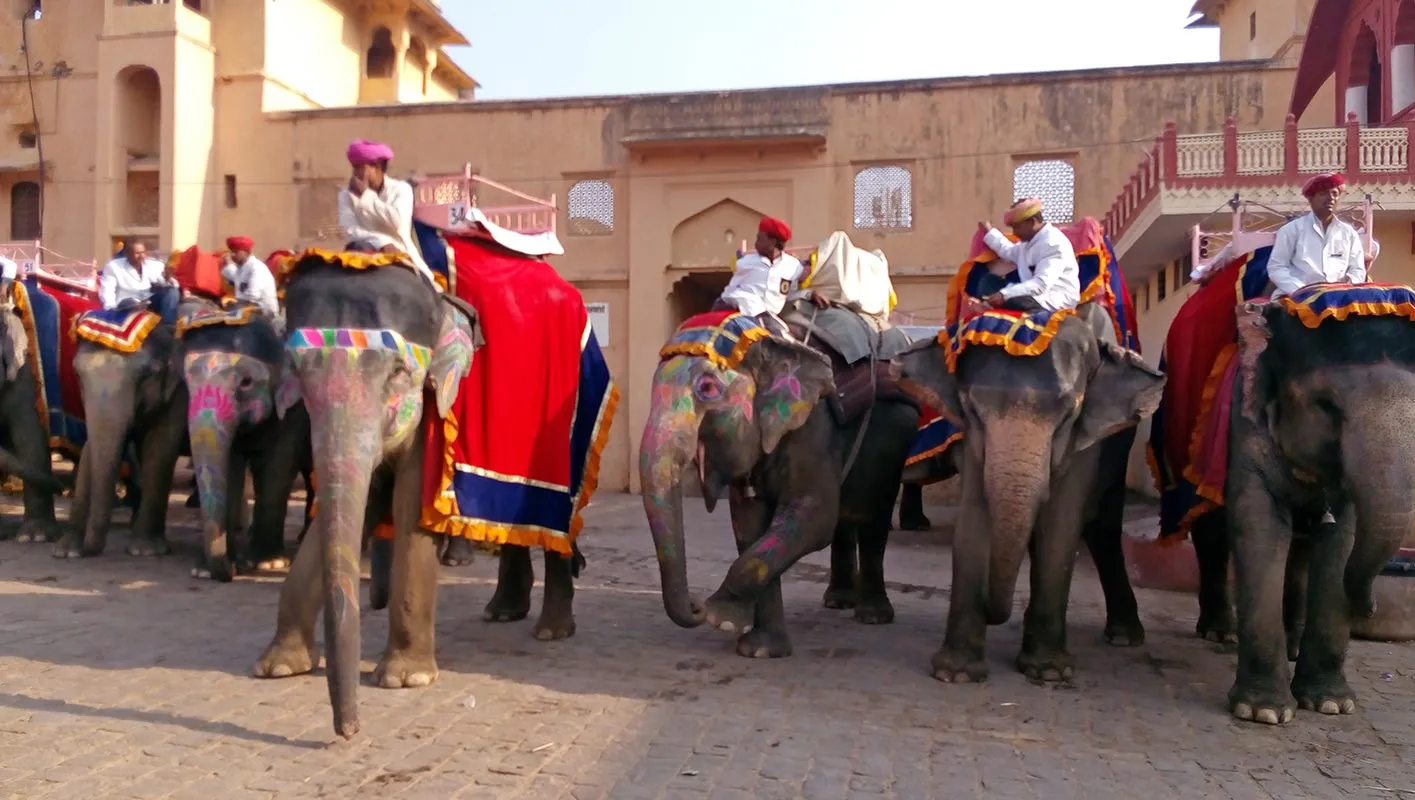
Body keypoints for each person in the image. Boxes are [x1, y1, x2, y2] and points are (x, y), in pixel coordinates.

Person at [336, 139, 434, 285]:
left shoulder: (401, 189)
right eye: (354, 168)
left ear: (377, 167)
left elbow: (397, 222)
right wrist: (381, 243)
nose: (355, 174)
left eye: (360, 168)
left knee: (430, 291)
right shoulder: (346, 195)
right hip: (360, 254)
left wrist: (366, 196)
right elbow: (350, 230)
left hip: (400, 254)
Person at [715, 216, 827, 332]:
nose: (755, 243)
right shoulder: (745, 262)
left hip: (767, 320)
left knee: (782, 338)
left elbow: (789, 295)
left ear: (772, 242)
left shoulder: (793, 267)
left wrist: (810, 294)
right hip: (737, 308)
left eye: (759, 238)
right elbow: (731, 291)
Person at [971, 198, 1081, 314]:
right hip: (1033, 296)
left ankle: (988, 308)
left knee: (1012, 300)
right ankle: (986, 306)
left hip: (1054, 299)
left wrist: (1004, 295)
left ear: (1032, 222)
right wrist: (989, 232)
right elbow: (1008, 251)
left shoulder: (1053, 243)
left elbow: (1040, 284)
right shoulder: (1026, 244)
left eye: (1017, 227)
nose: (1014, 233)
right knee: (989, 282)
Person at [1266, 172, 1366, 298]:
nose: (1331, 198)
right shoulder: (1291, 230)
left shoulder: (1349, 233)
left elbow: (1357, 270)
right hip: (1297, 297)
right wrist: (1300, 291)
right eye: (1323, 193)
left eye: (1335, 193)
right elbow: (1277, 267)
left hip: (1339, 298)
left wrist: (1345, 289)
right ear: (1310, 199)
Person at [98, 241, 180, 324]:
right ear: (128, 254)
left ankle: (168, 326)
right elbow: (107, 289)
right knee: (132, 302)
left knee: (172, 292)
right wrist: (110, 308)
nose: (141, 256)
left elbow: (162, 281)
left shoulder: (151, 264)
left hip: (146, 301)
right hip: (127, 303)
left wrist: (167, 278)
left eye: (143, 252)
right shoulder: (114, 266)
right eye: (137, 253)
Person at [220, 236, 279, 317]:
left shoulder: (256, 267)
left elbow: (253, 296)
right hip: (247, 308)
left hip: (264, 312)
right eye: (232, 252)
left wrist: (234, 305)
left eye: (236, 252)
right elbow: (234, 276)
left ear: (247, 252)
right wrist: (227, 262)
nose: (232, 255)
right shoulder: (242, 267)